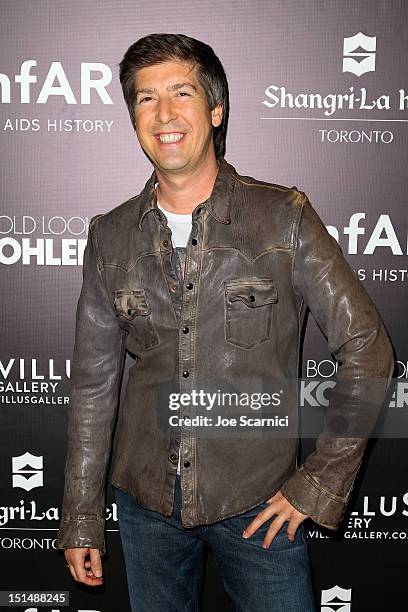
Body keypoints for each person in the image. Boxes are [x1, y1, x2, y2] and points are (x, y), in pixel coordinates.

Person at [57, 33, 394, 611]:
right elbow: (93, 389)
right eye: (145, 98)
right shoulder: (109, 237)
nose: (164, 114)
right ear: (133, 117)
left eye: (181, 93)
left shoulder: (283, 218)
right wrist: (82, 517)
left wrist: (318, 482)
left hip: (261, 509)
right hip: (146, 510)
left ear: (215, 110)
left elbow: (368, 348)